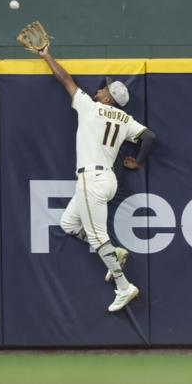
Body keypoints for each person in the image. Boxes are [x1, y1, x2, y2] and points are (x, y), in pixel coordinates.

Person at [33, 42, 156, 313]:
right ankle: (116, 253)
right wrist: (137, 162)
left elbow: (64, 79)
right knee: (68, 223)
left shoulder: (89, 107)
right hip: (107, 179)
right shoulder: (126, 119)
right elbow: (149, 137)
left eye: (104, 88)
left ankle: (124, 287)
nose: (99, 89)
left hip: (92, 180)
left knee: (98, 236)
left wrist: (47, 56)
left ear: (108, 98)